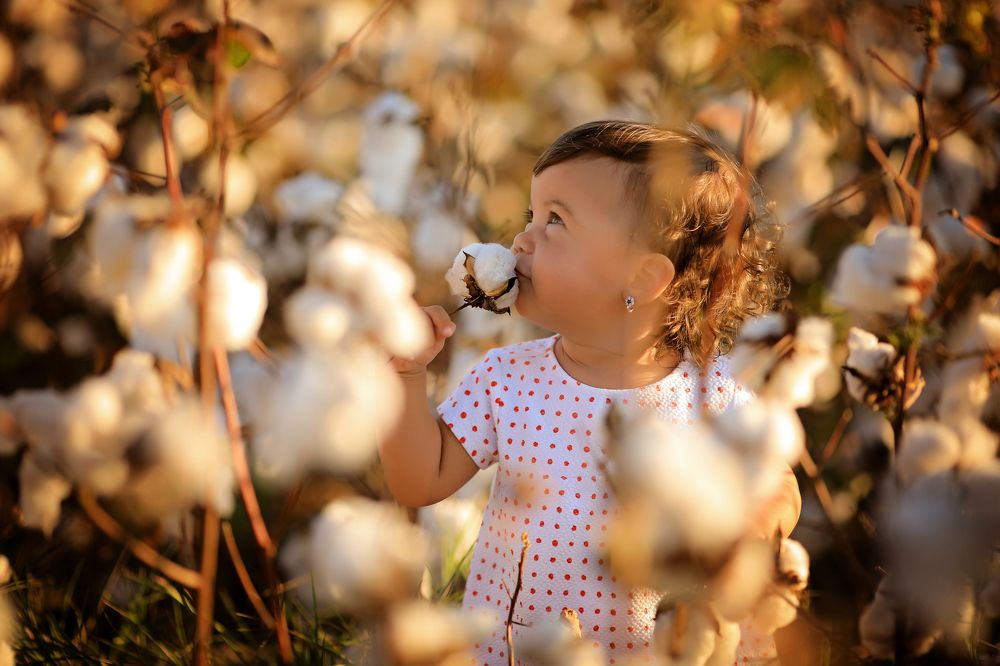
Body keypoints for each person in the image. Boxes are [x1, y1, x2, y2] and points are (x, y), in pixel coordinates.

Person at [379, 120, 802, 665]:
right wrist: (406, 377)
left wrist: (745, 531)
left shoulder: (711, 395)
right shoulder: (507, 378)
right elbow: (419, 480)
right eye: (531, 216)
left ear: (642, 279)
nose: (520, 239)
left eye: (555, 220)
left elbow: (780, 484)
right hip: (519, 647)